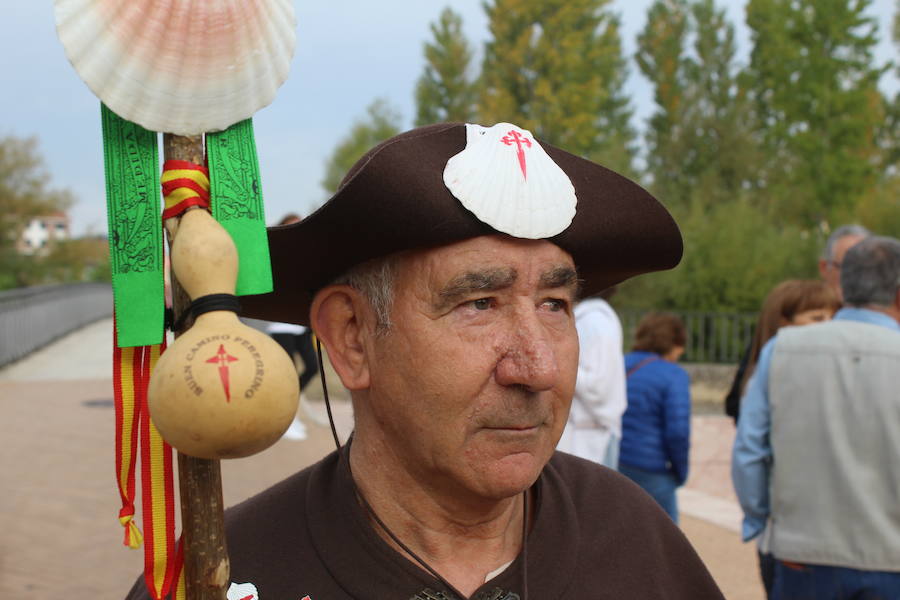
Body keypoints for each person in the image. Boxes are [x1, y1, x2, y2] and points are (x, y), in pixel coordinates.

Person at [126, 122, 723, 599]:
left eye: (554, 303)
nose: (537, 368)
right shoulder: (230, 570)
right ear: (352, 336)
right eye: (479, 303)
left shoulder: (631, 539)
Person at [733, 236, 900, 600]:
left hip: (803, 553)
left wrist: (765, 523)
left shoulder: (783, 349)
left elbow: (749, 450)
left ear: (842, 284)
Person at [731, 279, 840, 598]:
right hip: (790, 529)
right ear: (784, 322)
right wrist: (760, 517)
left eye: (834, 317)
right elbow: (749, 453)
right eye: (817, 318)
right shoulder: (772, 376)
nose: (829, 327)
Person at [724, 224, 870, 422]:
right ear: (823, 268)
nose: (859, 277)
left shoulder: (881, 326)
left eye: (867, 269)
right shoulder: (798, 305)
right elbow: (738, 404)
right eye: (849, 267)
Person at [617, 312, 691, 523]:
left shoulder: (620, 363)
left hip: (615, 464)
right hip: (653, 469)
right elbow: (678, 432)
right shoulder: (674, 375)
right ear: (675, 343)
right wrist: (680, 473)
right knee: (667, 546)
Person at [264, 213, 322, 440]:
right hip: (280, 327)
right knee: (287, 374)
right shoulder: (277, 256)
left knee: (311, 367)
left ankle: (286, 405)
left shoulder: (307, 257)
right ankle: (286, 418)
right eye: (291, 226)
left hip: (302, 326)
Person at [556, 286, 626, 469]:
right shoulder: (595, 319)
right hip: (588, 432)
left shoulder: (594, 322)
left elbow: (596, 385)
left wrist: (559, 367)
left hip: (590, 435)